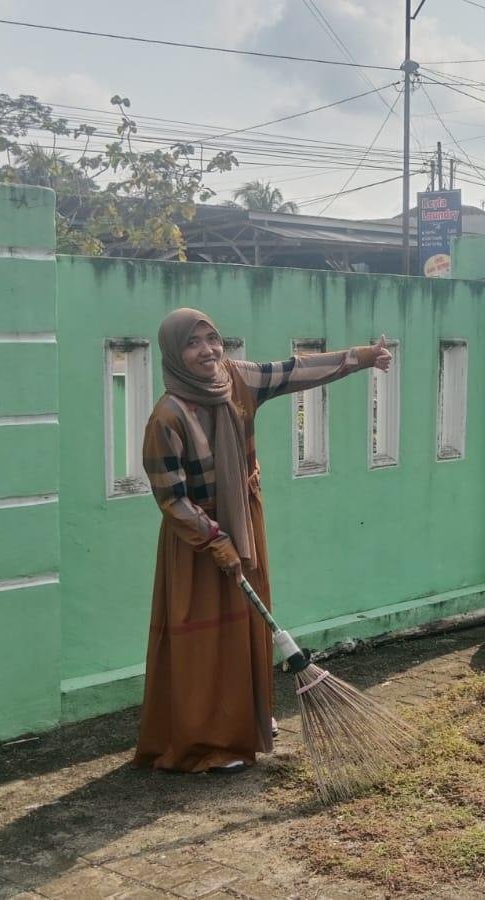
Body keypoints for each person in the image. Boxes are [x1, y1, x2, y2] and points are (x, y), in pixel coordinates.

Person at [133, 308, 391, 774]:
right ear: (174, 353)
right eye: (193, 344)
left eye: (212, 339)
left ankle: (247, 720)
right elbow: (171, 500)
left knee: (246, 623)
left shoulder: (238, 381)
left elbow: (293, 372)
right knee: (206, 636)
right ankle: (209, 742)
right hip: (196, 538)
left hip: (244, 517)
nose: (208, 351)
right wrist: (216, 541)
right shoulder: (166, 418)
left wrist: (362, 357)